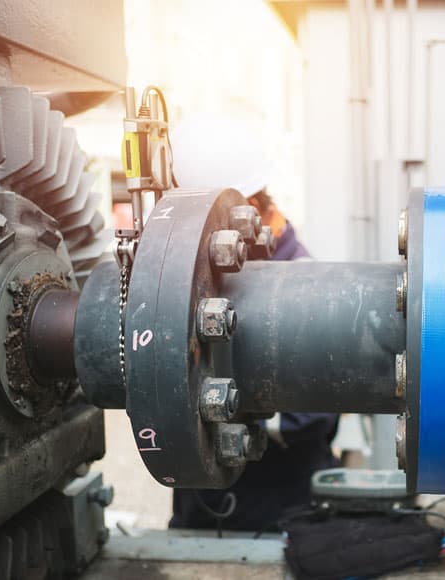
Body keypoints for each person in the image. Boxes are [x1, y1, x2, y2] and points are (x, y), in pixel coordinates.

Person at [167, 114, 339, 532]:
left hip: (283, 507)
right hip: (200, 511)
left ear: (247, 210)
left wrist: (241, 409)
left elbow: (314, 419)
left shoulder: (302, 280)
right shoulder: (187, 278)